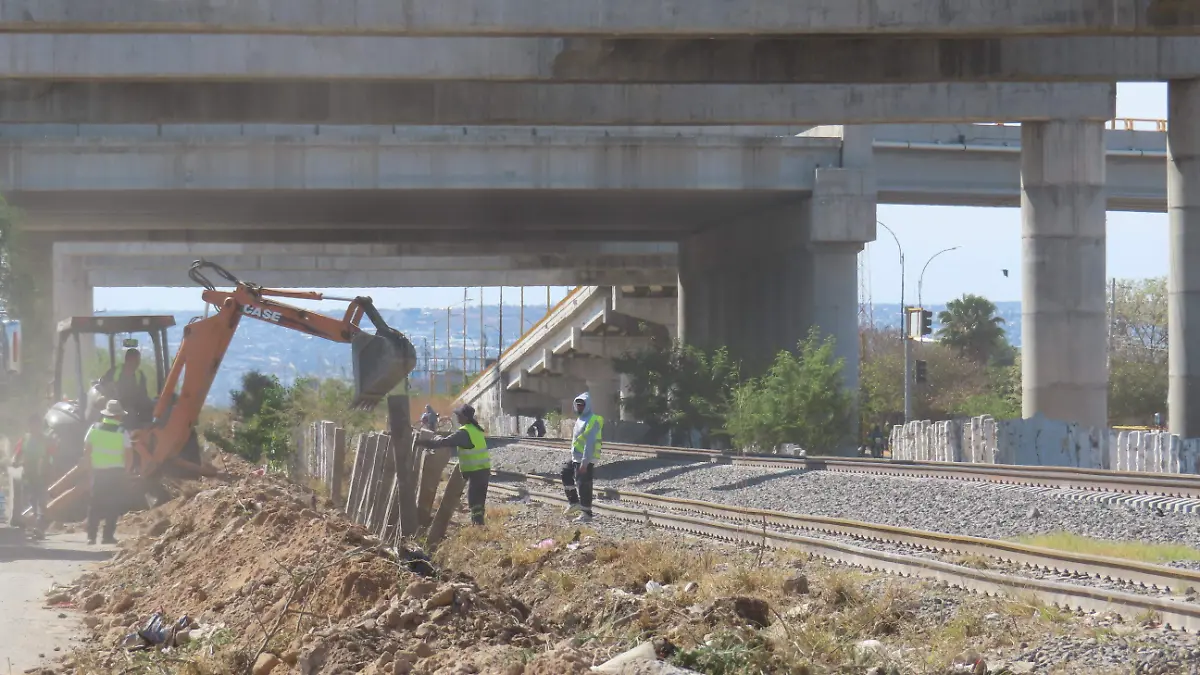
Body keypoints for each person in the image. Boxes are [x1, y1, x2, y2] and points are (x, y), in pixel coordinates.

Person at [416, 404, 490, 526]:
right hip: (483, 470)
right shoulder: (475, 429)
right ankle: (479, 524)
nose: (457, 418)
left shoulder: (464, 432)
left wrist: (425, 442)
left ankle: (478, 525)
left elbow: (445, 442)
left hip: (476, 471)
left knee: (474, 501)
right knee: (478, 501)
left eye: (458, 415)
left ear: (465, 417)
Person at [83, 399, 132, 545]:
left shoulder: (94, 428)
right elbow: (129, 454)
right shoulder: (122, 432)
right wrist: (127, 471)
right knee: (113, 505)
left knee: (94, 504)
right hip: (116, 473)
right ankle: (107, 536)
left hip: (98, 472)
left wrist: (89, 468)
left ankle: (91, 536)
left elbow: (87, 449)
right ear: (117, 416)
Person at [562, 392, 603, 523]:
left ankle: (587, 514)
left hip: (586, 458)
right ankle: (574, 502)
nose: (579, 407)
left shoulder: (592, 420)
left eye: (582, 405)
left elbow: (590, 442)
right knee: (565, 471)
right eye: (577, 405)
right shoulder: (580, 419)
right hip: (577, 457)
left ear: (587, 406)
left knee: (583, 484)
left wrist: (584, 463)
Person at [13, 412, 50, 539]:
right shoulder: (25, 439)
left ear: (40, 426)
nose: (34, 427)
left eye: (37, 425)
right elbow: (18, 452)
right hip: (28, 474)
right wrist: (15, 461)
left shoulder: (46, 439)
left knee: (41, 501)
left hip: (42, 475)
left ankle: (39, 527)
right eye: (32, 425)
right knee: (31, 500)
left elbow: (52, 456)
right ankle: (33, 525)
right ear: (29, 426)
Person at [115, 349, 154, 427]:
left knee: (151, 405)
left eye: (138, 361)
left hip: (135, 405)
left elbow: (144, 394)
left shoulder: (140, 375)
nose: (138, 363)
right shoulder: (115, 372)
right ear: (127, 360)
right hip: (116, 405)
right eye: (136, 361)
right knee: (130, 414)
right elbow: (104, 384)